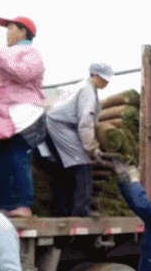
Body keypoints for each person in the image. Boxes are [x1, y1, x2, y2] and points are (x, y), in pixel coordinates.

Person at [0, 15, 45, 218]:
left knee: (17, 157)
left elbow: (22, 73)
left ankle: (23, 204)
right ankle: (4, 204)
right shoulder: (5, 53)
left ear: (23, 31)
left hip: (20, 114)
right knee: (0, 161)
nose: (7, 32)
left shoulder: (32, 54)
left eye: (10, 28)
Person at [44, 63, 113, 217]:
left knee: (64, 168)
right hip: (60, 126)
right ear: (95, 75)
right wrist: (92, 147)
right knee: (83, 164)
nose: (106, 83)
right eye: (104, 79)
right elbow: (85, 122)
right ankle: (82, 209)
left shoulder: (84, 88)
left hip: (55, 125)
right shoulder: (87, 90)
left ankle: (62, 210)